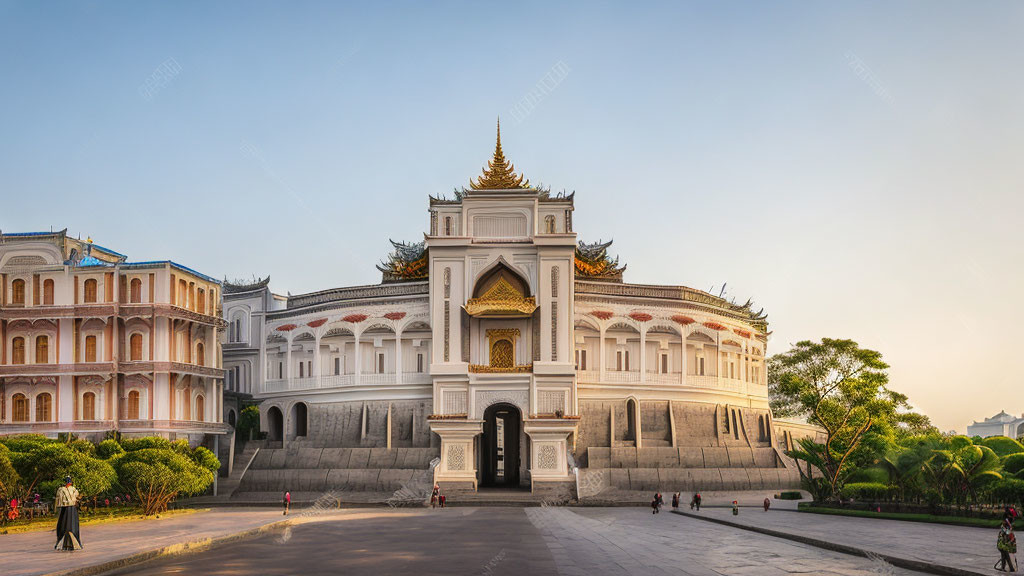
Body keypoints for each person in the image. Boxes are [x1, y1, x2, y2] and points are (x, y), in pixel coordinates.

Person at [54, 476, 82, 551]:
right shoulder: (63, 489)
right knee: (66, 526)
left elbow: (77, 497)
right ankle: (64, 543)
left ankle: (72, 543)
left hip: (69, 508)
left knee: (68, 526)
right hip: (67, 509)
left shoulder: (71, 489)